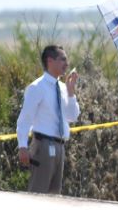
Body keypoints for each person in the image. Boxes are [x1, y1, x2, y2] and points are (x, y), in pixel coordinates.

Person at [16, 45, 80, 194]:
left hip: (60, 147)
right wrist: (22, 146)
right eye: (62, 59)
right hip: (43, 145)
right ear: (50, 61)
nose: (67, 64)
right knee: (38, 193)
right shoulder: (37, 87)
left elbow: (73, 116)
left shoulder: (64, 88)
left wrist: (71, 92)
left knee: (54, 196)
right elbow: (25, 119)